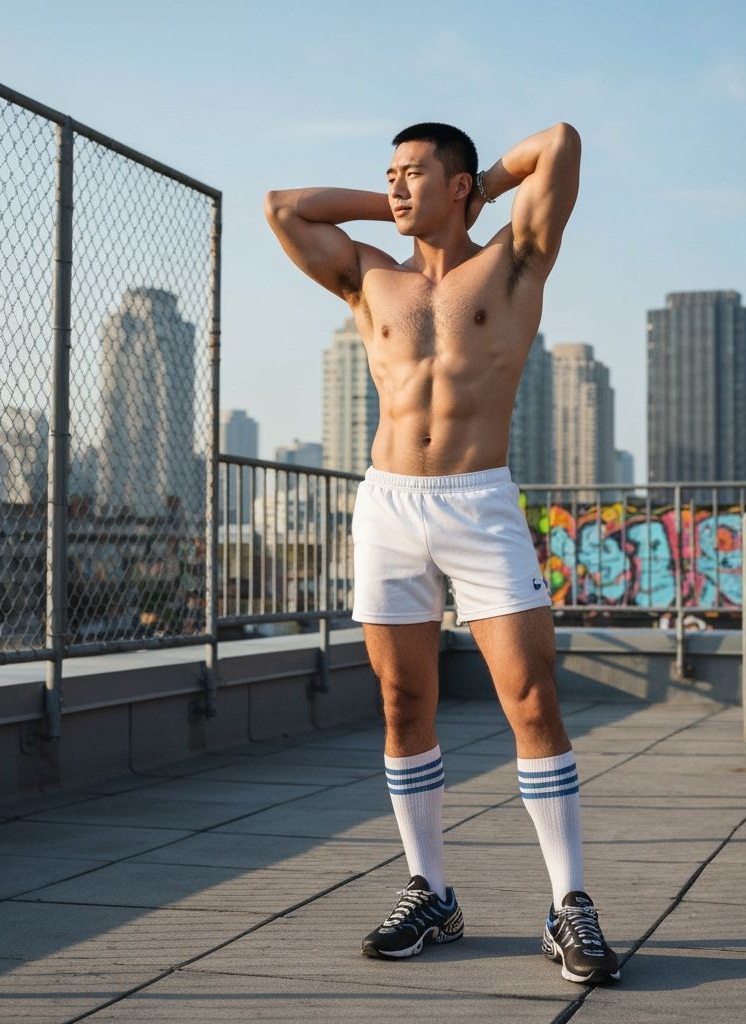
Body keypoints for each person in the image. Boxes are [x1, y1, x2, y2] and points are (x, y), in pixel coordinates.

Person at [264, 122, 619, 985]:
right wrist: (390, 205)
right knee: (400, 703)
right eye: (388, 173)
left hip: (480, 501)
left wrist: (483, 186)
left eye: (413, 173)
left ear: (458, 187)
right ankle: (432, 891)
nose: (394, 185)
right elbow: (283, 209)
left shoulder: (511, 261)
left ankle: (568, 904)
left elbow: (560, 145)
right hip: (388, 505)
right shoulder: (369, 278)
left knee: (531, 700)